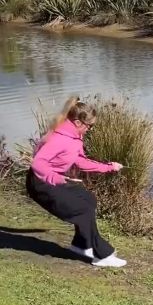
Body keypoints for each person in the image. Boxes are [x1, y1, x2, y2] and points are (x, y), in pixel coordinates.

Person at [26, 96, 126, 268]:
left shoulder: (74, 137)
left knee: (88, 199)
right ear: (79, 122)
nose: (90, 129)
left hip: (54, 179)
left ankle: (81, 245)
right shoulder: (60, 137)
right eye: (90, 126)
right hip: (40, 182)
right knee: (82, 209)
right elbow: (38, 163)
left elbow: (80, 161)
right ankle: (101, 255)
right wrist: (57, 178)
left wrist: (109, 167)